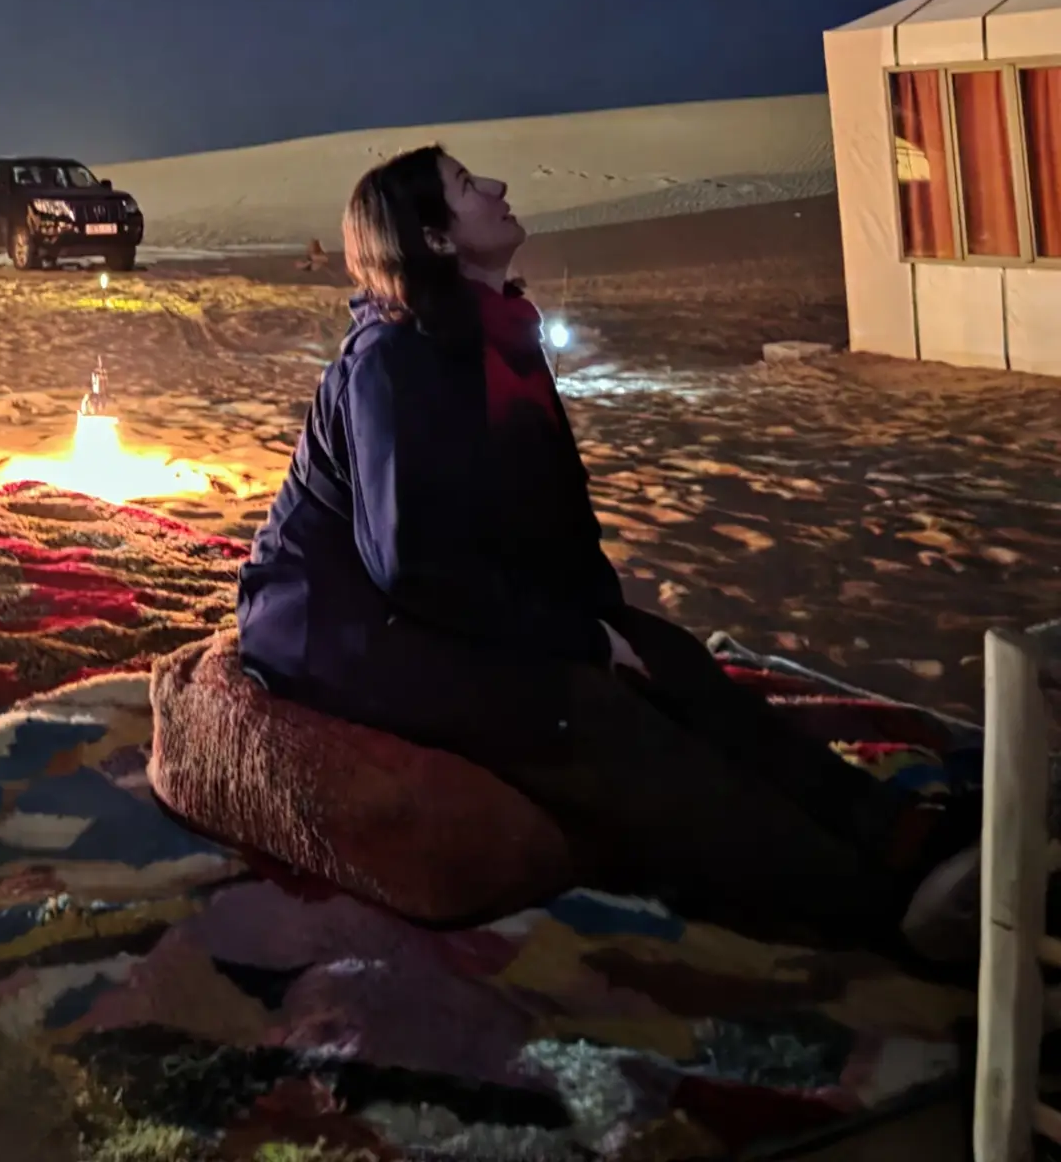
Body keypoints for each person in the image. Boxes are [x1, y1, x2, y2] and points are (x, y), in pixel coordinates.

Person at [235, 144, 982, 956]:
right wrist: (580, 641)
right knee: (587, 714)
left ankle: (893, 829)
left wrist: (606, 625)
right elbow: (410, 565)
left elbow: (552, 512)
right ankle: (871, 904)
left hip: (436, 601)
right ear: (436, 238)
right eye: (467, 186)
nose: (498, 185)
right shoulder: (394, 361)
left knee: (673, 661)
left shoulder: (495, 338)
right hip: (342, 628)